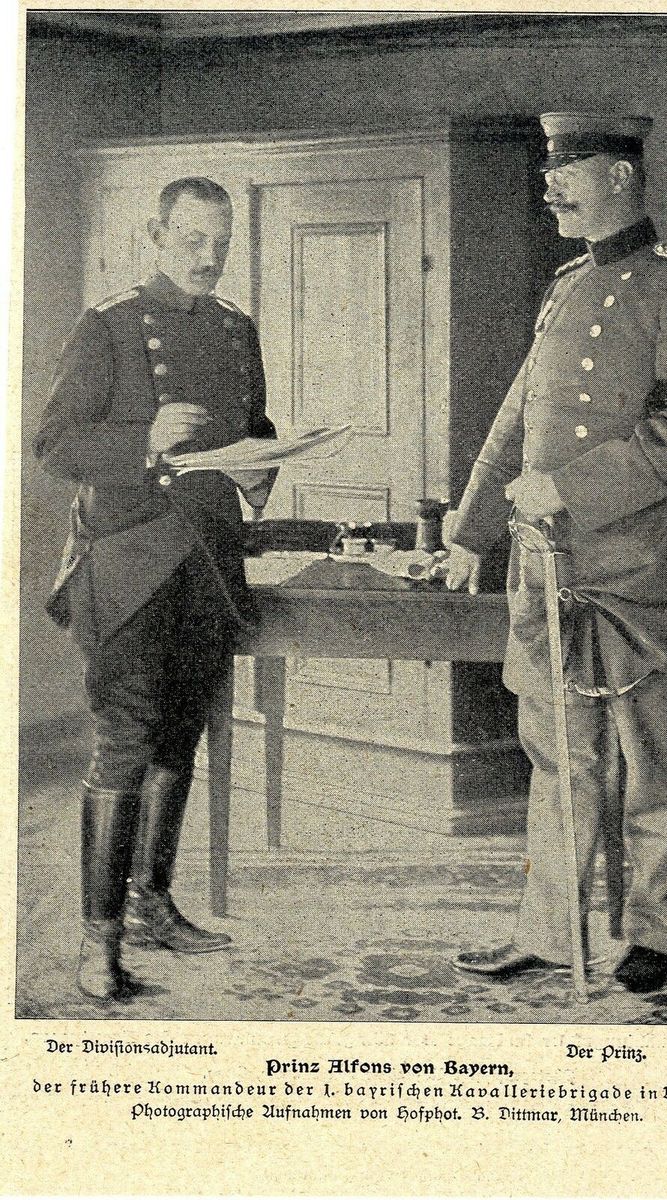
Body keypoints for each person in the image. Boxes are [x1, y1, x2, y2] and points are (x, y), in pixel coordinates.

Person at [445, 113, 667, 994]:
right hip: (550, 565)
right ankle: (546, 930)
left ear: (619, 175)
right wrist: (470, 528)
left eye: (566, 171)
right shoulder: (568, 284)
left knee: (650, 763)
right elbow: (519, 416)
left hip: (645, 568)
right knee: (557, 758)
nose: (549, 187)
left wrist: (568, 489)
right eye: (548, 170)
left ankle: (657, 931)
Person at [35, 177, 278, 1001]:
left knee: (180, 738)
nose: (209, 257)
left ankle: (152, 905)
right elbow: (55, 444)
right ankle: (97, 942)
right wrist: (144, 439)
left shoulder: (236, 328)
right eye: (191, 240)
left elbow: (254, 429)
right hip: (129, 564)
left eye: (221, 242)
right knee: (126, 743)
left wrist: (262, 470)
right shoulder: (109, 324)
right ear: (156, 233)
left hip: (208, 561)